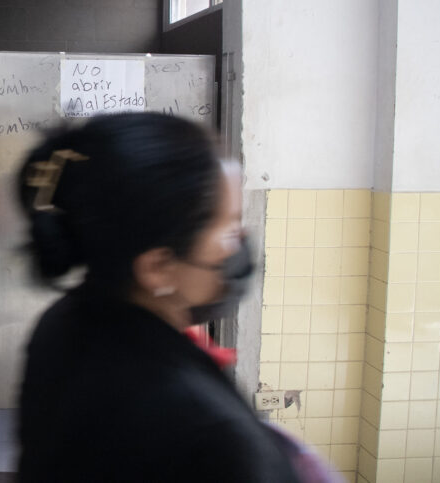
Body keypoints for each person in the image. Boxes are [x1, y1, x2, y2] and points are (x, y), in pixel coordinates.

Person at [16, 112, 301, 482]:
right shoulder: (214, 437)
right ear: (158, 268)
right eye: (228, 227)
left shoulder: (63, 322)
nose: (240, 241)